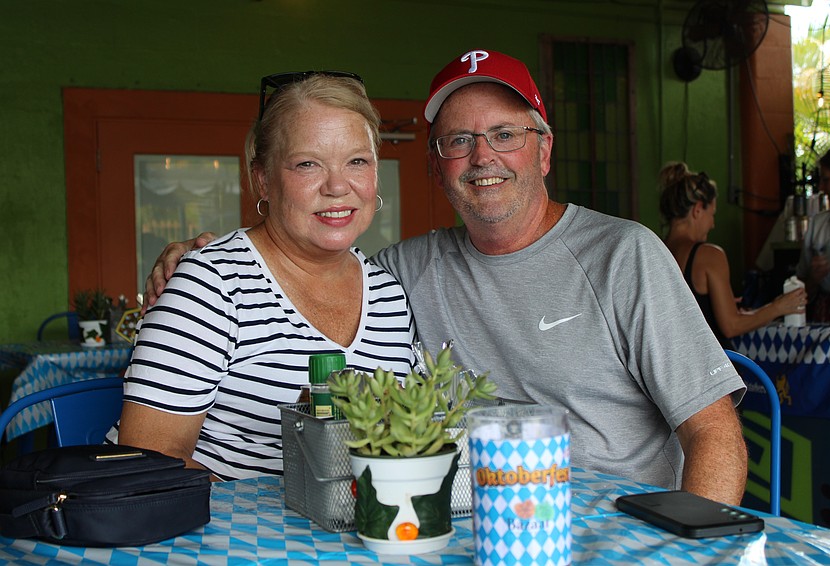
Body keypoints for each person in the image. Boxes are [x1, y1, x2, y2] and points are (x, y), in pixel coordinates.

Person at [144, 50, 748, 504]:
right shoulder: (403, 273)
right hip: (466, 528)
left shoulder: (625, 255)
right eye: (459, 141)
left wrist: (686, 545)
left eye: (506, 134)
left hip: (618, 527)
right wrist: (205, 254)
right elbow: (302, 257)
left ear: (543, 151)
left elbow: (715, 435)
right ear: (436, 167)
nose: (483, 157)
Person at [114, 71, 416, 481]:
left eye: (357, 161)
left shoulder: (388, 295)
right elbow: (148, 457)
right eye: (307, 164)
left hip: (351, 534)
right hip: (218, 537)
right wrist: (290, 513)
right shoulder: (212, 284)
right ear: (263, 180)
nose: (337, 186)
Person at [659, 162, 807, 348]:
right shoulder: (708, 255)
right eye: (711, 214)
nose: (712, 224)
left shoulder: (654, 251)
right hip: (709, 366)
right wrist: (779, 307)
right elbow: (731, 326)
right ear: (697, 210)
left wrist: (721, 305)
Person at [797, 144, 830, 323]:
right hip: (826, 332)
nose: (821, 188)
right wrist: (813, 278)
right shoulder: (819, 225)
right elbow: (798, 291)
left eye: (826, 180)